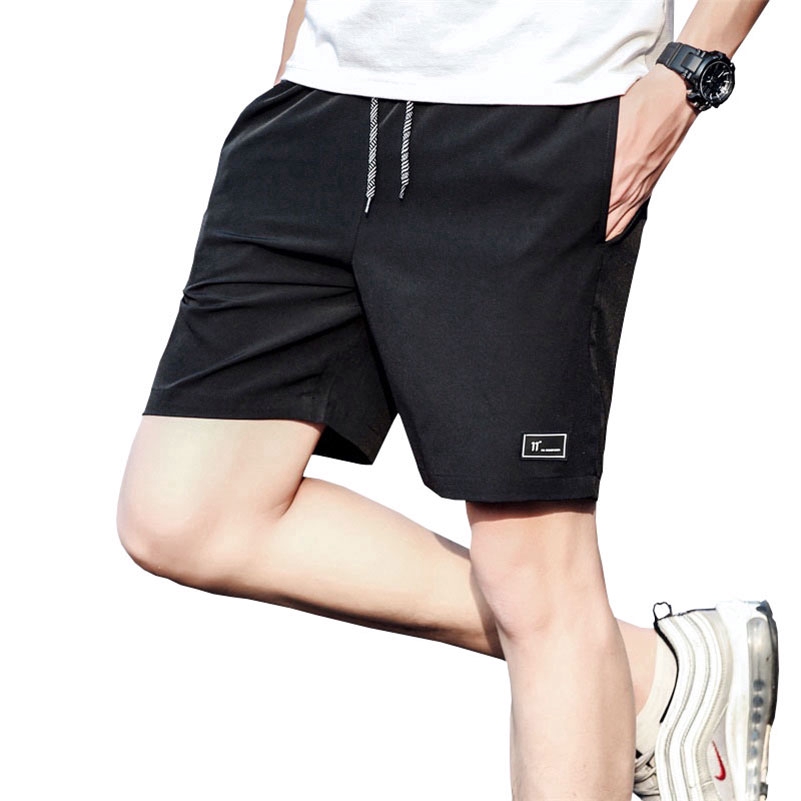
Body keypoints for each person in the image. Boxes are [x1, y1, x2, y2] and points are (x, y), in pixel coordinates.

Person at [116, 1, 779, 799]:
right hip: (317, 108)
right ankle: (655, 673)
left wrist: (685, 79)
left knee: (532, 568)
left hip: (537, 117)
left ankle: (632, 671)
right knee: (182, 513)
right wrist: (299, 51)